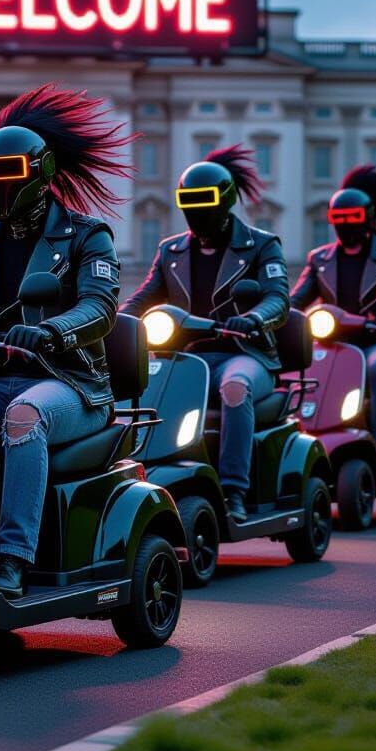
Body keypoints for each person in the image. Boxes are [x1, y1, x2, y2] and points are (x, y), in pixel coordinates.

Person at [0, 84, 132, 597]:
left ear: (40, 174)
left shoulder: (87, 235)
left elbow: (100, 307)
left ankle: (13, 556)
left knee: (25, 416)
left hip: (72, 384)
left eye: (9, 173)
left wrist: (49, 332)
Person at [122, 146, 289, 523]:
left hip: (245, 354)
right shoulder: (171, 251)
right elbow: (144, 297)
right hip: (187, 358)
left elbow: (278, 299)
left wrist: (255, 318)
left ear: (225, 200)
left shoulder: (262, 245)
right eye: (188, 200)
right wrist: (115, 323)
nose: (196, 208)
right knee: (137, 390)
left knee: (235, 388)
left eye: (204, 199)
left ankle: (233, 491)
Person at [291, 165, 376, 478]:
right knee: (298, 372)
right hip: (334, 343)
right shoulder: (319, 260)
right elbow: (295, 301)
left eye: (352, 217)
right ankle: (301, 442)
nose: (346, 224)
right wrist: (276, 315)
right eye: (339, 218)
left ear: (368, 216)